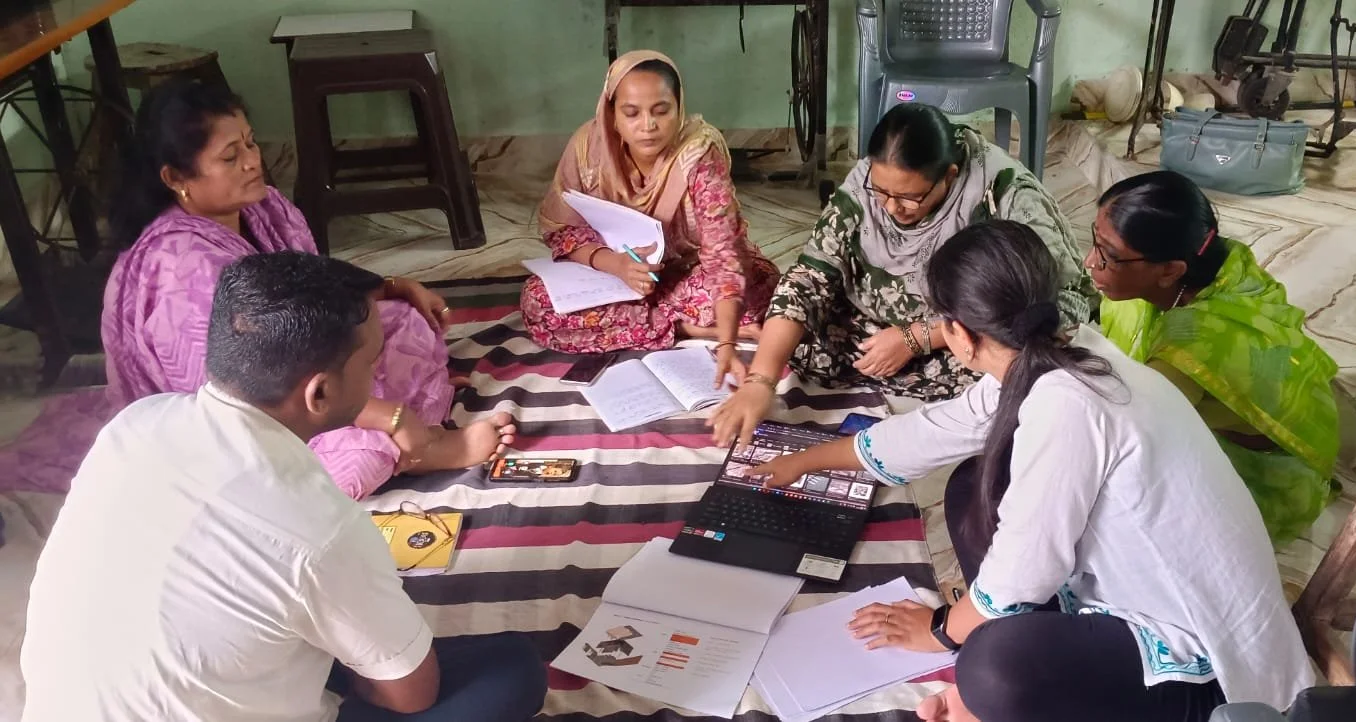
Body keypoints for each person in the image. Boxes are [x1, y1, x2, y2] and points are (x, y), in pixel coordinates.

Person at [747, 221, 1313, 722]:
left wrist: (942, 629)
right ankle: (1021, 649)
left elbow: (1022, 570)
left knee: (992, 671)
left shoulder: (1067, 404)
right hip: (1140, 593)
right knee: (973, 483)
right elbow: (933, 430)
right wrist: (804, 460)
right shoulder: (1065, 353)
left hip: (1208, 667)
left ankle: (1004, 673)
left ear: (961, 335)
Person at [21, 252, 546, 722]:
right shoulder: (322, 526)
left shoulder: (137, 424)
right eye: (371, 363)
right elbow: (411, 697)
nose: (380, 376)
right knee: (513, 670)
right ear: (320, 392)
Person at [0, 79, 514, 499]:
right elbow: (243, 394)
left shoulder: (259, 206)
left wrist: (396, 287)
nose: (252, 161)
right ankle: (422, 448)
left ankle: (403, 419)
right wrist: (393, 414)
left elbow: (309, 292)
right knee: (350, 457)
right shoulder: (183, 269)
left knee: (402, 322)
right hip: (245, 411)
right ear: (177, 177)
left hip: (300, 366)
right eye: (230, 155)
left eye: (249, 142)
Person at [709, 103, 1095, 448]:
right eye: (881, 192)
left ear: (949, 175)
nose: (892, 209)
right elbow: (810, 278)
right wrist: (761, 380)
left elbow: (1056, 305)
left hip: (959, 334)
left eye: (911, 198)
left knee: (1018, 364)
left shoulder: (1003, 194)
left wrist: (919, 337)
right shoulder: (870, 180)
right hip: (870, 328)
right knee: (795, 332)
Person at [1091, 171, 1338, 545]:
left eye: (1109, 256)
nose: (1089, 262)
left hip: (1264, 484)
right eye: (1095, 242)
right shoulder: (1222, 265)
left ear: (1171, 271)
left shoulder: (1190, 346)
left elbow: (1125, 435)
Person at [521, 50, 779, 381]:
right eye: (631, 113)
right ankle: (688, 328)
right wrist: (618, 266)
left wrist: (727, 342)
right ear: (611, 114)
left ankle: (677, 324)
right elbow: (564, 230)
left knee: (760, 288)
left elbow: (722, 250)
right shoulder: (588, 148)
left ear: (679, 107)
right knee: (538, 302)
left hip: (685, 271)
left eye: (662, 111)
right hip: (611, 273)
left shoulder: (697, 153)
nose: (648, 126)